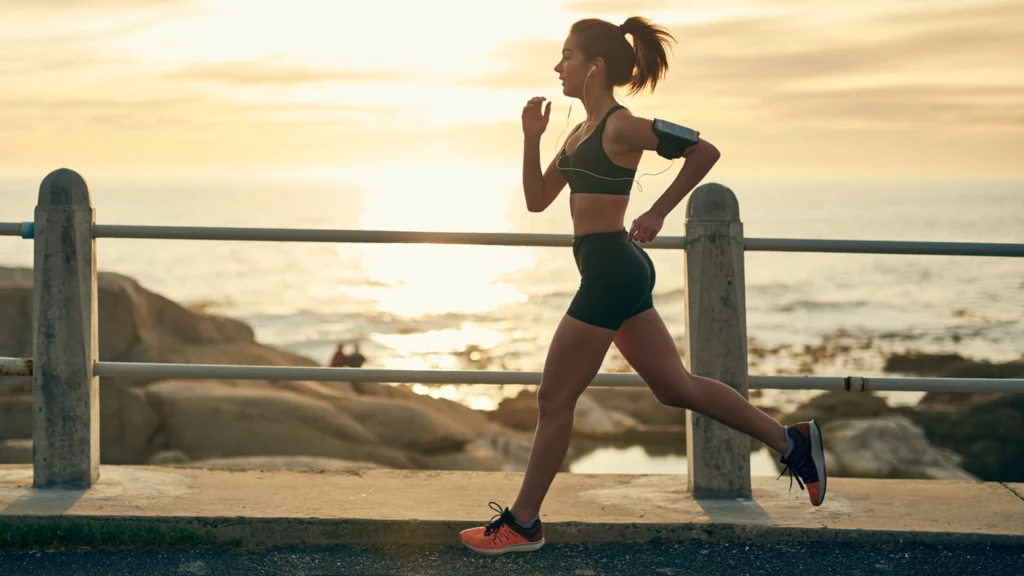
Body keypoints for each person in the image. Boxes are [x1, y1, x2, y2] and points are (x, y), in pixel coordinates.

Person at [458, 16, 827, 557]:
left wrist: (656, 210)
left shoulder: (620, 126)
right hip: (607, 268)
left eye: (567, 56)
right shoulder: (578, 133)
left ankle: (524, 522)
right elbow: (538, 199)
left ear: (595, 66)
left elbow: (704, 151)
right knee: (675, 387)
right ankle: (790, 441)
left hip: (612, 269)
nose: (558, 67)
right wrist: (530, 140)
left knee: (553, 398)